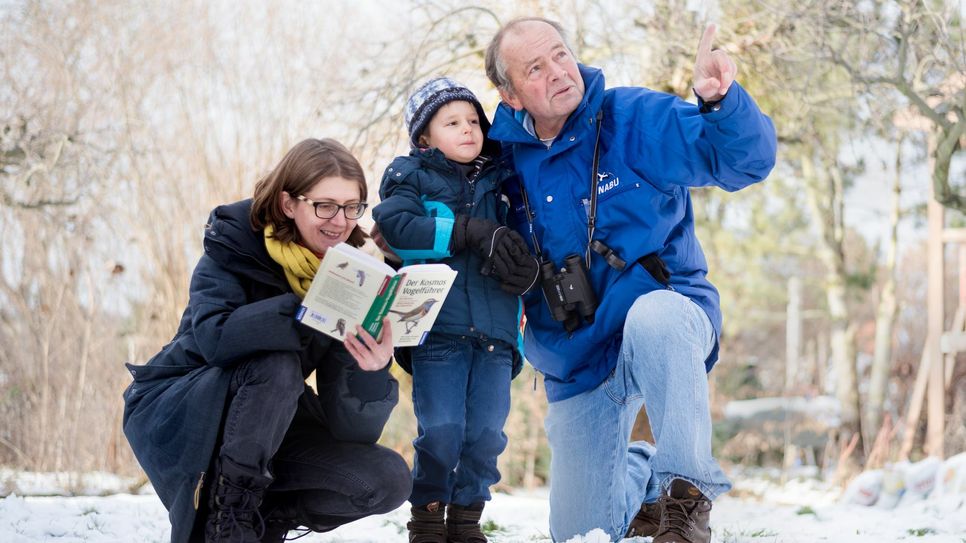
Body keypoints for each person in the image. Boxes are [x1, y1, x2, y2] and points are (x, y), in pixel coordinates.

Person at [483, 17, 777, 543]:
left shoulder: (634, 118)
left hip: (665, 317)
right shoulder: (498, 164)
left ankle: (685, 497)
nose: (557, 72)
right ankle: (640, 473)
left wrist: (721, 102)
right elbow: (447, 214)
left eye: (559, 55)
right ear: (510, 94)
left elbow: (743, 163)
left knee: (656, 313)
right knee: (580, 533)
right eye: (535, 68)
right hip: (578, 357)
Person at [122, 138, 412, 543]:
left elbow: (351, 431)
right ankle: (228, 522)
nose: (340, 220)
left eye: (352, 207)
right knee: (275, 363)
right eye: (324, 205)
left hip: (267, 426)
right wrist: (306, 307)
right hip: (184, 409)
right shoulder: (234, 245)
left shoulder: (347, 276)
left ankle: (267, 517)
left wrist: (371, 369)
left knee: (388, 478)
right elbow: (214, 340)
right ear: (288, 204)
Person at [372, 77, 538, 543]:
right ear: (425, 136)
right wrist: (465, 231)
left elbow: (529, 239)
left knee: (486, 435)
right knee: (443, 429)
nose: (468, 129)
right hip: (436, 330)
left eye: (473, 121)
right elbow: (398, 227)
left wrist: (527, 273)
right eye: (452, 122)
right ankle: (427, 517)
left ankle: (467, 519)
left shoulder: (505, 179)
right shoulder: (410, 175)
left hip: (496, 331)